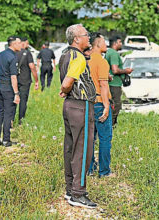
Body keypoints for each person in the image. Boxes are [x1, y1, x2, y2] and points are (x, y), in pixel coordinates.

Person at [59, 24, 97, 208]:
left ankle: (70, 190)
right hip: (81, 106)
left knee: (70, 148)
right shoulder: (78, 57)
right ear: (76, 39)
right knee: (83, 150)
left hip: (69, 105)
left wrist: (65, 91)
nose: (89, 37)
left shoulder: (65, 54)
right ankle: (79, 194)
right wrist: (64, 88)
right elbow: (67, 82)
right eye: (86, 35)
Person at [88, 33, 114, 178]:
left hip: (87, 103)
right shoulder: (102, 62)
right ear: (97, 44)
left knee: (90, 138)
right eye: (104, 42)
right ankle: (104, 171)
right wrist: (106, 106)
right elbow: (103, 85)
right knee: (104, 138)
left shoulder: (86, 60)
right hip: (99, 103)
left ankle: (89, 169)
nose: (106, 45)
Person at [0, 36, 22, 147]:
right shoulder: (13, 57)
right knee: (8, 114)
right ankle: (6, 140)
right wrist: (16, 94)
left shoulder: (0, 55)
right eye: (19, 43)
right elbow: (13, 77)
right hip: (8, 88)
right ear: (13, 44)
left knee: (0, 113)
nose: (21, 45)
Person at [105, 35, 133, 126]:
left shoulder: (109, 52)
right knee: (116, 105)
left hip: (111, 83)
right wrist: (126, 71)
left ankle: (111, 125)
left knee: (112, 104)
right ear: (115, 43)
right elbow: (115, 70)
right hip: (114, 84)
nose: (121, 44)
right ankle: (111, 126)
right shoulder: (114, 53)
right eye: (120, 42)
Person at [13, 37, 39, 125]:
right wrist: (36, 80)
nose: (28, 45)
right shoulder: (27, 53)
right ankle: (21, 121)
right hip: (25, 80)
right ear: (23, 43)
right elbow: (32, 67)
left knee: (13, 100)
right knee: (23, 101)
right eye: (27, 43)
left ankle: (11, 120)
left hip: (14, 80)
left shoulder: (13, 53)